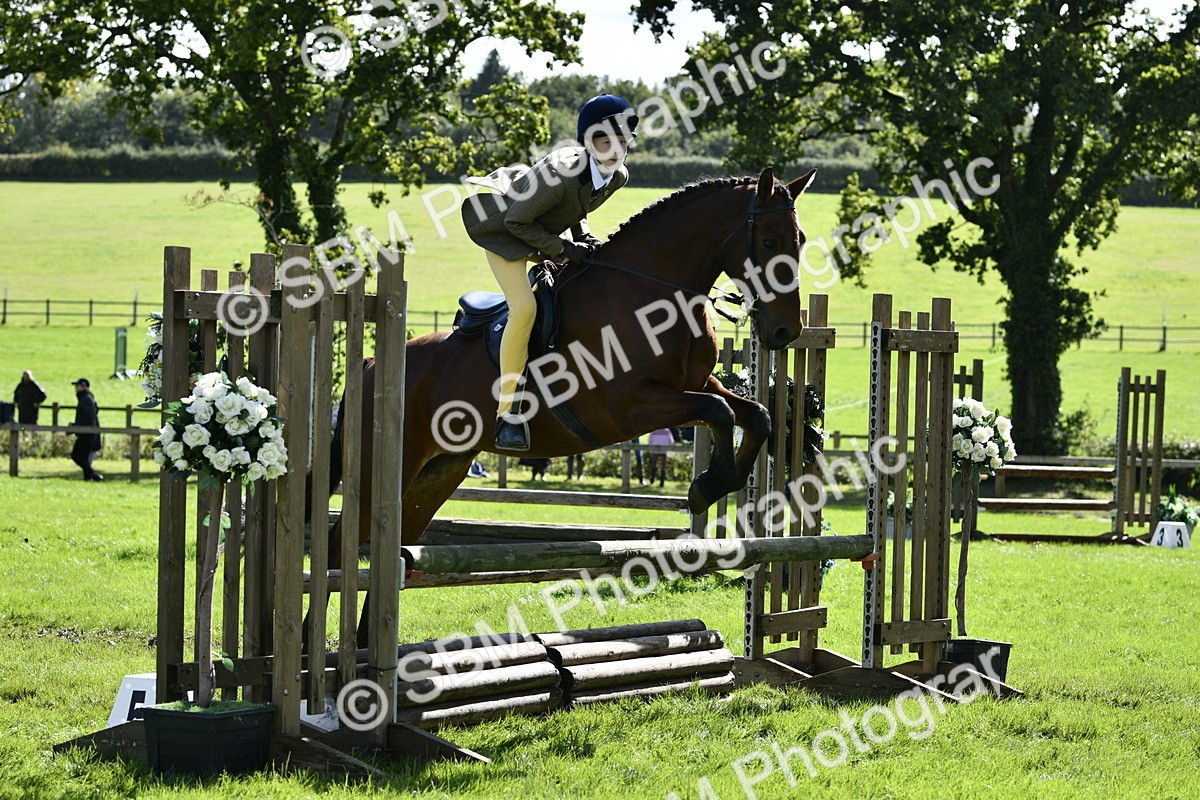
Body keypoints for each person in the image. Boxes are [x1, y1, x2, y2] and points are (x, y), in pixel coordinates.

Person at [461, 93, 639, 452]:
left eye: (623, 142)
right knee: (525, 309)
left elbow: (577, 205)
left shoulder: (617, 176)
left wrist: (580, 235)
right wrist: (563, 249)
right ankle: (507, 413)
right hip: (502, 231)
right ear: (588, 143)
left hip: (540, 231)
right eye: (606, 142)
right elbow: (516, 221)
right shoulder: (561, 172)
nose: (616, 151)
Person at [69, 378, 103, 482]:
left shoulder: (86, 399)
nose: (76, 388)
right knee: (83, 457)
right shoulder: (86, 398)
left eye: (78, 385)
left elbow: (87, 418)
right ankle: (88, 477)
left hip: (87, 433)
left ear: (84, 387)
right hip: (87, 432)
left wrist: (76, 427)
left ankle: (92, 474)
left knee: (76, 455)